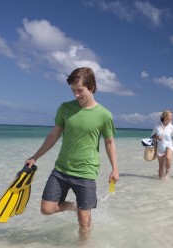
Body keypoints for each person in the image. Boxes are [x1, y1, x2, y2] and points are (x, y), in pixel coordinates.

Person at [25, 67, 119, 236]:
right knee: (47, 209)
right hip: (61, 169)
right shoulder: (65, 108)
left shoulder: (105, 115)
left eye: (80, 90)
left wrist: (115, 168)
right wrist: (35, 157)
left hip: (86, 172)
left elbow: (109, 142)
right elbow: (54, 135)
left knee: (84, 222)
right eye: (73, 90)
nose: (76, 94)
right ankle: (72, 206)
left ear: (91, 87)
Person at [151, 110, 173, 179]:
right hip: (160, 148)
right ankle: (160, 182)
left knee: (168, 158)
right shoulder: (157, 126)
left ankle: (167, 172)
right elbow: (152, 136)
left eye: (171, 116)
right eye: (170, 116)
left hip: (169, 146)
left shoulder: (171, 127)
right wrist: (157, 137)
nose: (172, 117)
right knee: (161, 168)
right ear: (165, 117)